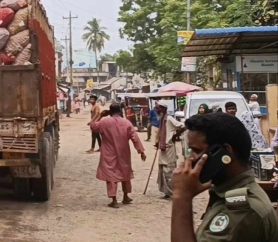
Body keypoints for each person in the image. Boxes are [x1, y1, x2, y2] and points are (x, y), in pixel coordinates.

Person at [171, 112, 278, 242]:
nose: (191, 159)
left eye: (197, 151)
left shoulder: (242, 212)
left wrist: (181, 198)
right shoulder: (230, 193)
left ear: (225, 152)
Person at [89, 103, 147, 208]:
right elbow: (135, 138)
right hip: (123, 152)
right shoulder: (126, 122)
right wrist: (141, 151)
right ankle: (126, 196)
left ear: (109, 112)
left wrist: (101, 115)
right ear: (120, 111)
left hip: (108, 153)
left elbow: (92, 126)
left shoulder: (104, 122)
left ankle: (114, 199)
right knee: (125, 173)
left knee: (111, 175)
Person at [155, 100, 184, 199]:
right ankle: (166, 192)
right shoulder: (162, 119)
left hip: (169, 148)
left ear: (163, 109)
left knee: (169, 170)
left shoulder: (170, 119)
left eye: (158, 108)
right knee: (162, 170)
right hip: (163, 148)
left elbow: (182, 126)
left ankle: (174, 192)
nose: (156, 109)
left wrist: (176, 135)